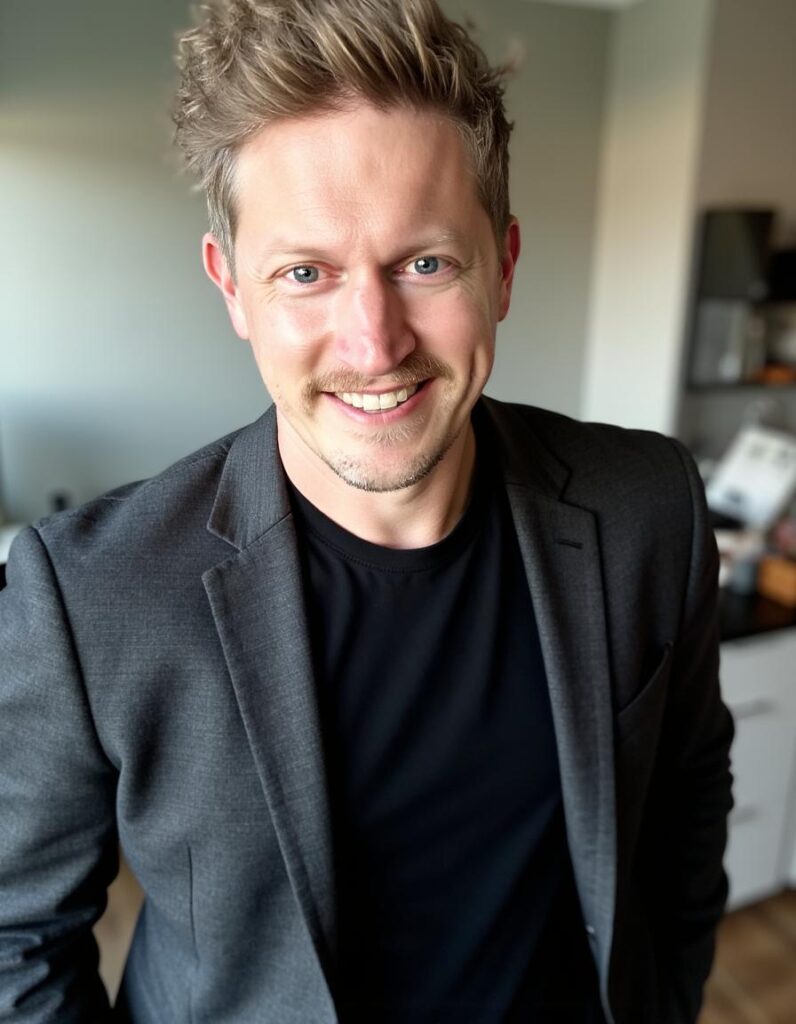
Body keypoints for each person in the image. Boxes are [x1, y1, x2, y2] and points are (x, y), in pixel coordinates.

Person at [0, 1, 734, 1021]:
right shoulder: (89, 594)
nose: (374, 343)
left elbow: (686, 802)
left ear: (503, 266)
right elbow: (16, 939)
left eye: (425, 263)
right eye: (306, 273)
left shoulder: (649, 507)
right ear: (233, 289)